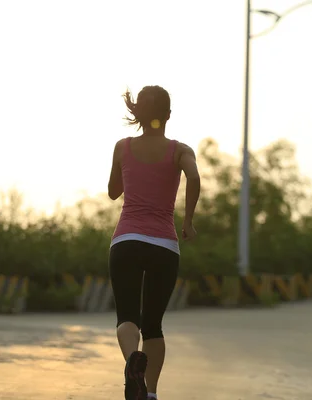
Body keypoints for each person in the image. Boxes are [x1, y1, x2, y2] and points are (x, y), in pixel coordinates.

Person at [107, 85, 201, 400]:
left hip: (126, 241)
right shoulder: (180, 150)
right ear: (168, 115)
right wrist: (187, 221)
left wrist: (132, 170)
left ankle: (132, 362)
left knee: (127, 318)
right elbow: (194, 177)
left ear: (138, 114)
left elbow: (113, 191)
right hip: (164, 245)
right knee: (153, 325)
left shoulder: (123, 147)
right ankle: (149, 392)